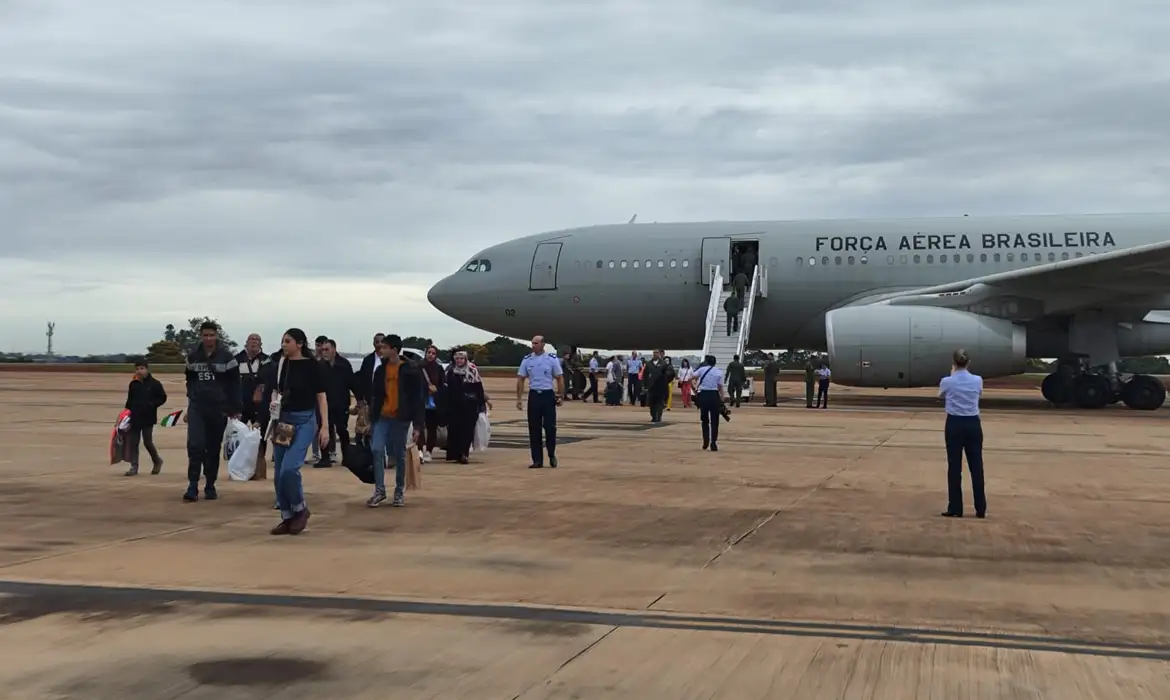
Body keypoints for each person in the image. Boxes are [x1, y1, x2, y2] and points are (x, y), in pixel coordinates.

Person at [267, 329, 329, 535]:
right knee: (279, 474)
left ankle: (300, 509)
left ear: (299, 344)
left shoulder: (313, 366)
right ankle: (287, 517)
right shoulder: (281, 364)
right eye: (282, 341)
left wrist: (324, 426)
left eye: (288, 341)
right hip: (283, 421)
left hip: (304, 421)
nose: (283, 345)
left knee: (289, 469)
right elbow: (276, 389)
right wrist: (273, 402)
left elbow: (321, 396)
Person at [182, 320, 241, 502]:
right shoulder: (193, 357)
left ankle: (210, 484)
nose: (208, 338)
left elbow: (234, 385)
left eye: (211, 335)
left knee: (213, 448)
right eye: (205, 335)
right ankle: (192, 485)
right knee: (195, 446)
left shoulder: (227, 358)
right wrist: (191, 401)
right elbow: (190, 381)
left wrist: (233, 408)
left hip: (218, 409)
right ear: (201, 336)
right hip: (197, 407)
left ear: (216, 336)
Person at [366, 334, 426, 507]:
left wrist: (418, 425)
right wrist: (371, 419)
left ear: (394, 349)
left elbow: (417, 399)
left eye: (384, 347)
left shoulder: (410, 370)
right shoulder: (381, 370)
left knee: (399, 455)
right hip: (382, 417)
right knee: (377, 449)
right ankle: (379, 490)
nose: (381, 350)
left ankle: (399, 492)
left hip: (401, 418)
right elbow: (376, 396)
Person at [938, 349, 986, 518]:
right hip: (973, 423)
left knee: (954, 466)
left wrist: (952, 375)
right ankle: (980, 508)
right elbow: (979, 394)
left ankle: (955, 507)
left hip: (954, 423)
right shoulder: (978, 380)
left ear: (953, 362)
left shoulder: (947, 381)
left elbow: (941, 395)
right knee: (976, 466)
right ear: (968, 362)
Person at [517, 335, 563, 468]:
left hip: (548, 395)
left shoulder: (551, 359)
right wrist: (519, 398)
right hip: (534, 396)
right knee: (534, 428)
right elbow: (520, 378)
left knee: (550, 427)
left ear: (543, 344)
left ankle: (551, 453)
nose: (533, 345)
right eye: (532, 343)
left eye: (536, 343)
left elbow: (559, 378)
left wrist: (560, 395)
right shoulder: (527, 360)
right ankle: (537, 460)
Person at [235, 333, 271, 478]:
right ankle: (239, 468)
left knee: (261, 438)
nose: (254, 342)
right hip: (241, 405)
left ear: (261, 344)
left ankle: (259, 470)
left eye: (257, 340)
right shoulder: (237, 360)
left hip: (260, 406)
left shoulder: (267, 361)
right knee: (238, 436)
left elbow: (270, 381)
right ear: (246, 343)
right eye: (251, 339)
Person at [123, 359, 167, 476]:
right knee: (134, 442)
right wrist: (126, 413)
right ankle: (134, 467)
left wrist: (152, 404)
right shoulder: (133, 384)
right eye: (137, 369)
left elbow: (162, 398)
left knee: (148, 442)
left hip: (148, 418)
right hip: (134, 417)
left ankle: (157, 461)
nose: (139, 371)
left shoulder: (155, 384)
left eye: (142, 368)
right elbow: (129, 400)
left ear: (147, 369)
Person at [445, 350, 488, 464]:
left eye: (461, 358)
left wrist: (481, 404)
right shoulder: (450, 371)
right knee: (455, 429)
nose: (459, 361)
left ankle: (464, 454)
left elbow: (479, 388)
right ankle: (456, 454)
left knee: (467, 430)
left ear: (465, 359)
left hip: (469, 405)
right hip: (454, 405)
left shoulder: (472, 370)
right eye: (457, 359)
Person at [319, 340, 354, 467]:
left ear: (334, 350)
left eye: (327, 350)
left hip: (341, 403)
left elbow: (352, 382)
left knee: (342, 430)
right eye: (323, 350)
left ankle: (347, 457)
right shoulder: (320, 365)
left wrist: (360, 400)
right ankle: (325, 458)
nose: (324, 352)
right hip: (325, 405)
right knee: (324, 430)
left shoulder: (344, 364)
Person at [418, 345, 447, 463]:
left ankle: (429, 451)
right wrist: (426, 389)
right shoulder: (419, 367)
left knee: (432, 428)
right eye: (429, 352)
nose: (430, 355)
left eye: (433, 353)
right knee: (419, 427)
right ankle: (419, 450)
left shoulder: (438, 368)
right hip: (421, 401)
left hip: (433, 403)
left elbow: (443, 384)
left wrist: (436, 390)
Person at [692, 354, 725, 451]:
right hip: (714, 395)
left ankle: (705, 440)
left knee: (704, 420)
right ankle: (713, 442)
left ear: (707, 362)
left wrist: (694, 389)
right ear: (715, 362)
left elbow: (691, 377)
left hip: (704, 395)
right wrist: (722, 399)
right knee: (715, 421)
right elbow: (720, 387)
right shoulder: (719, 372)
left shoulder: (702, 369)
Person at [643, 350, 675, 422]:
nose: (655, 354)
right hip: (652, 387)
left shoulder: (663, 364)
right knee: (652, 404)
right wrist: (645, 385)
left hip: (661, 387)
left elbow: (670, 374)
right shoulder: (649, 364)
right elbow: (645, 375)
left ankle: (659, 417)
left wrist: (666, 381)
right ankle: (654, 416)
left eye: (657, 353)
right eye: (654, 353)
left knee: (660, 403)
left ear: (659, 354)